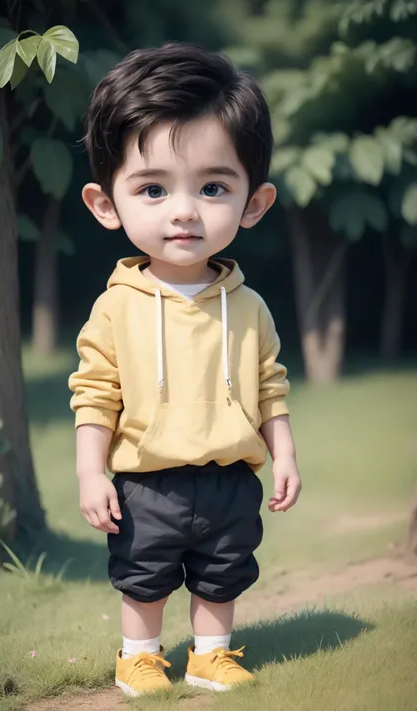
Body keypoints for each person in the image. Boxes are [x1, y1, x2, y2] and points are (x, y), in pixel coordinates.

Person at [68, 41, 302, 698]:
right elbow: (95, 394)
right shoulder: (114, 307)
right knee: (142, 573)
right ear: (106, 203)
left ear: (252, 203)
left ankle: (211, 653)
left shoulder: (249, 307)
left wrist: (282, 451)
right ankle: (139, 654)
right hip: (147, 481)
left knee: (224, 569)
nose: (183, 210)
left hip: (229, 476)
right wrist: (91, 470)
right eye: (152, 187)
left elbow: (269, 385)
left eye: (212, 186)